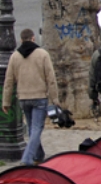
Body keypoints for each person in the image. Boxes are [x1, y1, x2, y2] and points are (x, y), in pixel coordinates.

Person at [2, 29, 59, 166]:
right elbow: (51, 79)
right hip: (39, 96)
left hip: (23, 98)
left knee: (32, 127)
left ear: (21, 40)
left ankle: (39, 155)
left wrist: (6, 101)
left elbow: (9, 81)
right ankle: (27, 158)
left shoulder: (15, 57)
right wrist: (55, 99)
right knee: (36, 128)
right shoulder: (43, 54)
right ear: (33, 39)